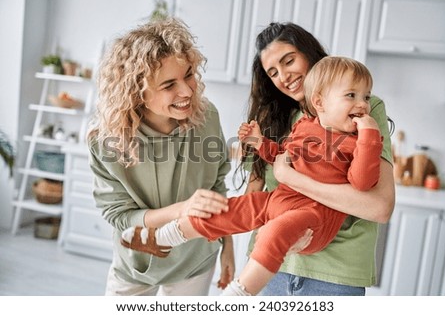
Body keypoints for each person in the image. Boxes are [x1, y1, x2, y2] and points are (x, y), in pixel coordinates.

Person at [120, 56, 384, 296]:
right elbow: (282, 157)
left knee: (273, 232)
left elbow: (362, 182)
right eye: (352, 95)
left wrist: (369, 137)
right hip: (280, 199)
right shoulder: (305, 126)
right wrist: (260, 144)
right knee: (229, 209)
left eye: (366, 96)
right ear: (319, 102)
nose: (362, 104)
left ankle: (240, 293)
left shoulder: (358, 142)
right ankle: (166, 237)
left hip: (314, 216)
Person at [243, 22, 395, 296]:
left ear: (310, 53)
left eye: (289, 61)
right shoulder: (273, 117)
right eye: (273, 72)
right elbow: (255, 192)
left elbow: (379, 208)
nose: (284, 76)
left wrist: (291, 177)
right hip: (272, 268)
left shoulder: (362, 107)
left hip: (334, 274)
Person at [87, 17, 235, 296]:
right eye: (169, 85)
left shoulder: (207, 117)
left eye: (189, 74)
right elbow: (120, 216)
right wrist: (181, 210)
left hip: (196, 258)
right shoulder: (106, 141)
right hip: (137, 261)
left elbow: (217, 185)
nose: (187, 91)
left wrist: (228, 248)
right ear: (136, 92)